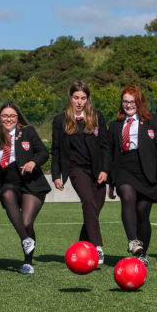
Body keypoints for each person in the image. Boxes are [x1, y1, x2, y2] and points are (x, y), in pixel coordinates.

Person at [0, 102, 51, 274]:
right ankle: (26, 240)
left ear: (17, 118)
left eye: (12, 116)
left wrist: (33, 162)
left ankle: (28, 262)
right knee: (7, 193)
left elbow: (44, 153)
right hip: (10, 184)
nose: (9, 119)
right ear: (0, 119)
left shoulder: (28, 132)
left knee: (26, 222)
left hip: (32, 183)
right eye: (5, 116)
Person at [107, 85, 157, 267]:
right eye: (125, 101)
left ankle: (142, 254)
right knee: (126, 195)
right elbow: (110, 155)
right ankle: (133, 240)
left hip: (147, 171)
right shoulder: (115, 125)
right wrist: (111, 182)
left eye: (132, 101)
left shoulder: (153, 121)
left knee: (142, 213)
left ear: (139, 102)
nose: (128, 105)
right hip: (124, 167)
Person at [51, 80, 109, 263]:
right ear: (70, 98)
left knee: (95, 208)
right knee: (89, 203)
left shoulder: (97, 117)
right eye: (76, 97)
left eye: (83, 98)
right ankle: (97, 248)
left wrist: (105, 170)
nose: (79, 102)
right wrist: (56, 175)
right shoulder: (60, 120)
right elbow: (56, 150)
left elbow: (106, 146)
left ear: (88, 99)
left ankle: (82, 247)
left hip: (97, 171)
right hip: (76, 170)